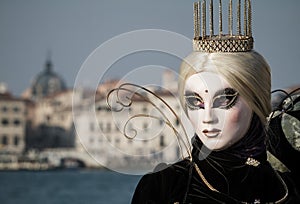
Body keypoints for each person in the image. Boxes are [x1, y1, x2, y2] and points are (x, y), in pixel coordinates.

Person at [131, 1, 300, 203]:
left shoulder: (289, 188)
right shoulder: (163, 187)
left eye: (225, 101)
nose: (207, 118)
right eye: (196, 103)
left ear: (255, 99)